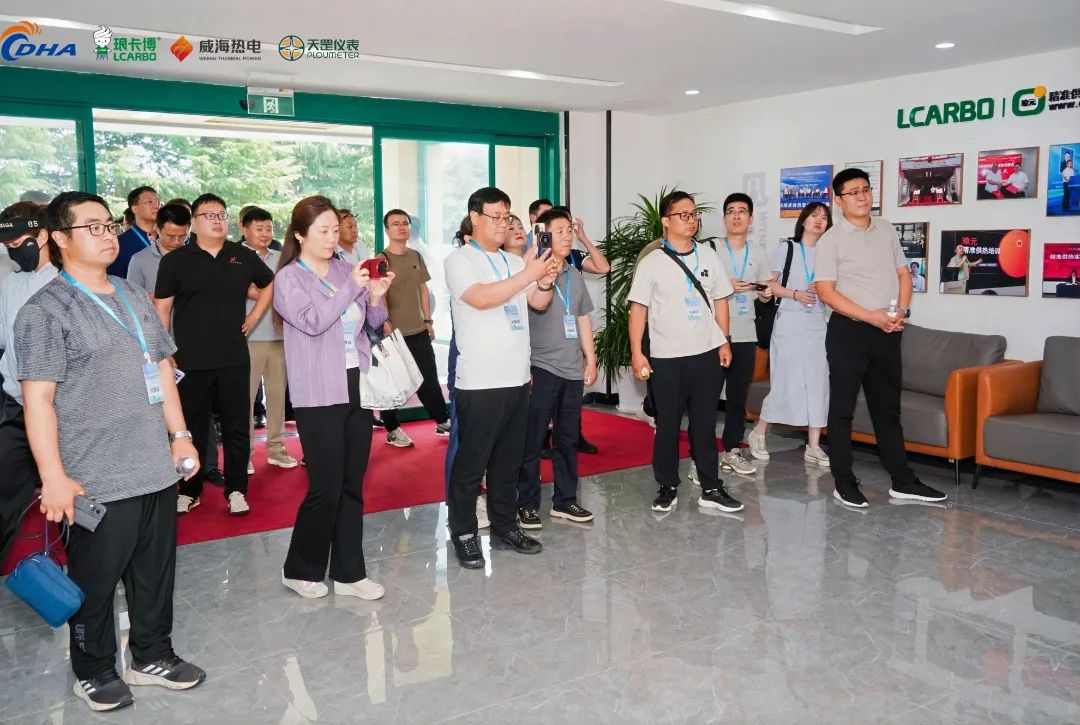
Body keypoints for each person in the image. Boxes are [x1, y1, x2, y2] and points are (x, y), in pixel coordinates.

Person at [16, 191, 205, 712]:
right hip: (95, 475)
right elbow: (38, 401)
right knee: (95, 584)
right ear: (59, 238)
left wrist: (180, 434)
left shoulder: (132, 293)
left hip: (154, 465)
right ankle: (94, 669)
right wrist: (53, 477)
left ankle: (152, 655)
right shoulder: (45, 311)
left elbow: (161, 368)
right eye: (92, 227)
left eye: (109, 225)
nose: (107, 235)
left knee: (154, 575)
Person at [273, 195, 389, 600]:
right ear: (300, 234)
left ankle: (349, 573)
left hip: (356, 382)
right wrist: (351, 288)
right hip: (317, 391)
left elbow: (373, 324)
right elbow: (313, 322)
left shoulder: (345, 268)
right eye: (322, 230)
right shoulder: (289, 278)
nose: (331, 238)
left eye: (334, 230)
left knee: (352, 484)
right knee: (326, 486)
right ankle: (299, 568)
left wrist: (376, 295)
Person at [816, 168, 947, 508]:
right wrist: (870, 316)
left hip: (887, 332)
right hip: (848, 333)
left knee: (888, 411)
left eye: (865, 189)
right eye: (853, 192)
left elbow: (903, 274)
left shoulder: (886, 229)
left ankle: (903, 481)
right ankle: (844, 482)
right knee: (842, 411)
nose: (862, 196)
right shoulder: (831, 239)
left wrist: (900, 310)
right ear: (839, 200)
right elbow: (826, 293)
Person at [443, 186, 558, 569]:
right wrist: (529, 273)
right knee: (471, 464)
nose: (503, 224)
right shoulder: (459, 261)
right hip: (480, 383)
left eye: (507, 217)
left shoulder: (512, 261)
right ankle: (464, 532)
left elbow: (537, 302)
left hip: (517, 378)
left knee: (509, 461)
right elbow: (481, 298)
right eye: (495, 217)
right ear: (475, 217)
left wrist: (543, 280)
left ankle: (505, 526)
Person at [154, 193, 274, 515]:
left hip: (234, 358)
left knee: (236, 428)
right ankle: (189, 489)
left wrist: (254, 317)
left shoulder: (242, 256)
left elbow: (268, 283)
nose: (218, 220)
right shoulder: (175, 261)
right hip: (190, 361)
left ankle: (236, 490)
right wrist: (164, 352)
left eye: (221, 214)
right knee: (191, 428)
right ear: (194, 222)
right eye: (209, 216)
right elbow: (162, 309)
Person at [628, 190, 742, 514]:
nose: (691, 220)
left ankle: (711, 487)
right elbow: (638, 310)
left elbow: (720, 300)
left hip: (706, 354)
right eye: (684, 215)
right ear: (666, 221)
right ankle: (667, 486)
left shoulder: (708, 256)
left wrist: (724, 340)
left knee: (705, 424)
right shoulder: (651, 262)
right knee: (668, 425)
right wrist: (637, 353)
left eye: (694, 214)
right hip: (666, 357)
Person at [516, 207, 598, 529]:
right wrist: (535, 257)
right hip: (541, 367)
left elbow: (582, 318)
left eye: (569, 230)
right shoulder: (531, 270)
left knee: (566, 440)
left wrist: (590, 359)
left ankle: (565, 501)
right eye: (559, 231)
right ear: (544, 235)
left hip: (572, 370)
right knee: (533, 440)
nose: (566, 236)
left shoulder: (575, 274)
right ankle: (526, 504)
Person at [749, 202, 832, 468]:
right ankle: (759, 432)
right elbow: (769, 285)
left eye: (824, 217)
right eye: (814, 215)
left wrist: (824, 293)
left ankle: (814, 446)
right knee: (785, 381)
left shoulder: (829, 252)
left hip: (818, 324)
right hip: (789, 323)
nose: (819, 220)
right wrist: (795, 294)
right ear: (803, 220)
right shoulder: (787, 248)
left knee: (818, 384)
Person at [0, 202, 57, 561]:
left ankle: (89, 574)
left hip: (60, 409)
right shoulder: (11, 283)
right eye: (7, 245)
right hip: (15, 406)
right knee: (5, 488)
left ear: (43, 235)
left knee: (72, 496)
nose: (13, 251)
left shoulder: (65, 284)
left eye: (19, 242)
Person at [708, 193, 773, 478]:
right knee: (707, 396)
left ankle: (732, 449)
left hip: (746, 333)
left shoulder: (758, 254)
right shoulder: (710, 249)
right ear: (724, 218)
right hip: (714, 334)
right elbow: (697, 287)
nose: (736, 216)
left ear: (751, 219)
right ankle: (702, 453)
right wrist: (725, 286)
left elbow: (765, 293)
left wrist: (766, 293)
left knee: (737, 397)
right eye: (731, 211)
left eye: (742, 211)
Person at [377, 208, 451, 446]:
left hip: (418, 329)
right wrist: (385, 321)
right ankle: (392, 428)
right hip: (393, 333)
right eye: (396, 224)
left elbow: (423, 289)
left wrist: (428, 321)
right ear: (387, 230)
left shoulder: (415, 256)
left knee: (428, 377)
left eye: (405, 223)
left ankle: (442, 421)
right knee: (393, 382)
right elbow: (379, 294)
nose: (402, 227)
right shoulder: (381, 259)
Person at [241, 206, 297, 473]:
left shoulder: (280, 258)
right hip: (248, 338)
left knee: (277, 397)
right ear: (244, 229)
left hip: (279, 337)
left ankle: (276, 448)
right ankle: (245, 452)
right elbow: (249, 290)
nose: (265, 234)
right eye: (259, 229)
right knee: (245, 400)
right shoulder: (235, 257)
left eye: (269, 228)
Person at [126, 203, 191, 295]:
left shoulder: (195, 257)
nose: (176, 242)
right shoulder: (139, 260)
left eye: (182, 236)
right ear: (157, 229)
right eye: (170, 236)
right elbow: (133, 298)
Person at [107, 186, 159, 278]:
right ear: (135, 209)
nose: (157, 206)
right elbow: (115, 280)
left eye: (158, 202)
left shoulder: (168, 238)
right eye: (149, 202)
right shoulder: (120, 244)